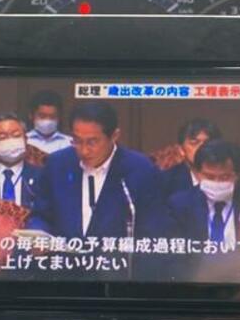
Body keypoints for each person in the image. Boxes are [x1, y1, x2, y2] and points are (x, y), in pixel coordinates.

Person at [28, 101, 170, 238]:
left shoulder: (141, 169)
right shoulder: (57, 164)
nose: (84, 150)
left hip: (116, 254)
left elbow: (155, 228)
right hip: (63, 254)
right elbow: (40, 215)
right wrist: (39, 234)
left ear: (114, 136)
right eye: (77, 141)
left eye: (92, 142)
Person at [168, 139, 240, 281]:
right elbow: (174, 259)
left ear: (238, 175)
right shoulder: (179, 205)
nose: (217, 183)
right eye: (209, 177)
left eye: (224, 177)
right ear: (197, 174)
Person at [162, 118, 222, 197]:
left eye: (208, 142)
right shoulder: (167, 181)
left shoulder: (230, 178)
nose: (201, 147)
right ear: (181, 150)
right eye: (194, 143)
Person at [25, 89, 73, 154]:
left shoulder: (69, 143)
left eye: (52, 116)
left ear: (59, 117)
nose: (47, 120)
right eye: (42, 116)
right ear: (31, 115)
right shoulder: (24, 141)